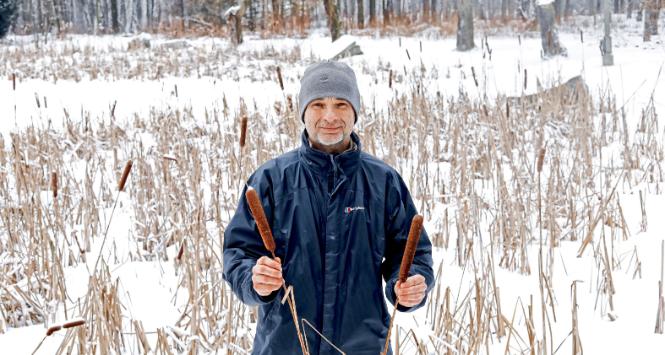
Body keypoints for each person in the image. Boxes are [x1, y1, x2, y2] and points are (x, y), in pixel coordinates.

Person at [223, 61, 434, 355]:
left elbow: (413, 253)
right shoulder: (271, 179)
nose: (330, 116)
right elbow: (238, 252)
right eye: (319, 104)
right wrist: (252, 278)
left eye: (341, 104)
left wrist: (409, 285)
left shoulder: (383, 181)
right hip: (283, 346)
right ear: (304, 112)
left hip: (364, 346)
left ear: (356, 111)